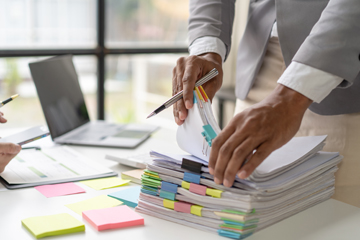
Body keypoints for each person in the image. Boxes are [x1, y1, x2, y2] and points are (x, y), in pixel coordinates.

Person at [172, 0, 360, 207]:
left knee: (331, 222)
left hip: (340, 78)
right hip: (257, 71)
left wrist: (290, 97)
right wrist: (207, 49)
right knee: (238, 217)